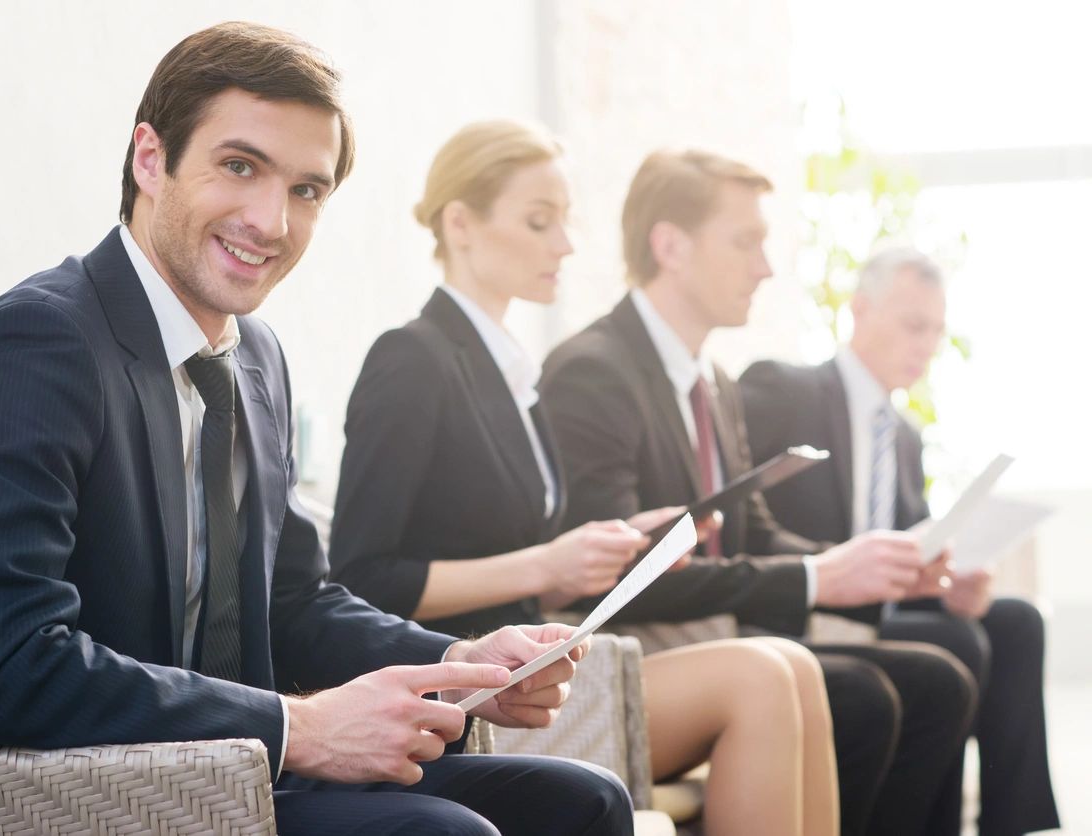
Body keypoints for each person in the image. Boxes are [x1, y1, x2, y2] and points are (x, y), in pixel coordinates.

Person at [0, 23, 633, 836]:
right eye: (239, 166)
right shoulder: (37, 343)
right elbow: (0, 668)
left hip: (219, 766)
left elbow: (294, 602)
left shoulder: (253, 358)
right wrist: (299, 727)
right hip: (57, 792)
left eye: (306, 190)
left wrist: (458, 664)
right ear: (149, 159)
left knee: (584, 801)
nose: (271, 220)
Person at [329, 120, 839, 836]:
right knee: (760, 678)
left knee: (791, 666)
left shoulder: (509, 375)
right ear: (461, 224)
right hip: (464, 688)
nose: (564, 245)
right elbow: (362, 575)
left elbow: (521, 559)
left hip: (532, 668)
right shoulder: (412, 359)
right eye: (540, 222)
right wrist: (547, 562)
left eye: (564, 222)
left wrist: (607, 550)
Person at [539, 149, 978, 836]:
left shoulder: (710, 379)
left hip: (715, 631)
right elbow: (617, 578)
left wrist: (858, 563)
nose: (765, 267)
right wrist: (813, 576)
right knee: (867, 697)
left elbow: (753, 529)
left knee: (937, 679)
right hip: (639, 649)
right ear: (670, 245)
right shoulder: (592, 372)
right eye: (746, 242)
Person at [738, 245, 1061, 836]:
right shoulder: (785, 390)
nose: (926, 345)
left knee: (1015, 622)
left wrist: (952, 580)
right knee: (953, 641)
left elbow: (917, 547)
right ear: (859, 311)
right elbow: (746, 526)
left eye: (936, 331)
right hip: (806, 606)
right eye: (914, 325)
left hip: (882, 611)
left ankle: (1018, 826)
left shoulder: (906, 438)